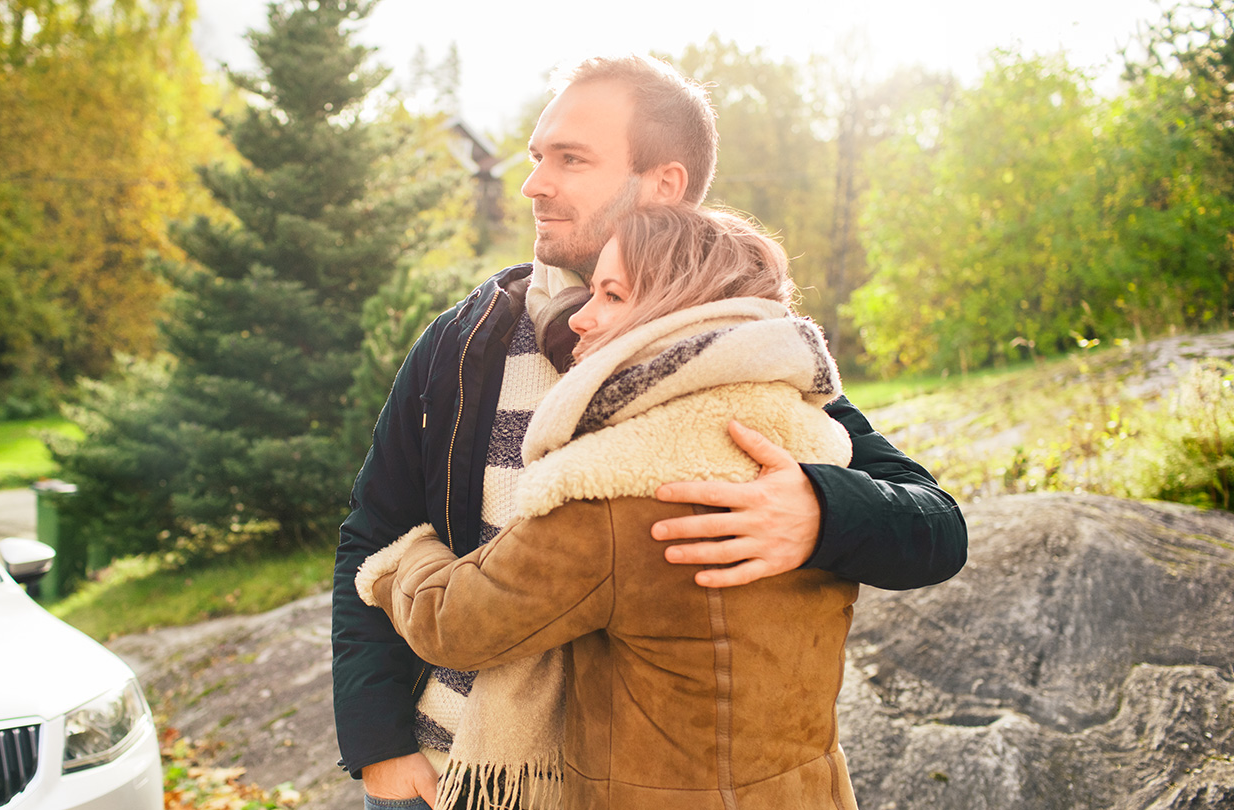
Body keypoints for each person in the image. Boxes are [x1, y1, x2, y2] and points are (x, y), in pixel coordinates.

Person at [332, 53, 966, 809]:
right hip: (447, 776)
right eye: (537, 157)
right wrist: (379, 750)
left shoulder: (734, 360)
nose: (534, 183)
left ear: (663, 186)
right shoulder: (463, 341)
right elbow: (372, 529)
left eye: (571, 159)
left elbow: (937, 528)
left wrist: (821, 511)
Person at [357, 202, 860, 809]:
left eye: (613, 296)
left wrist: (399, 558)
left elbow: (458, 622)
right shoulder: (812, 450)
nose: (582, 319)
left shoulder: (617, 486)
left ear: (677, 308)